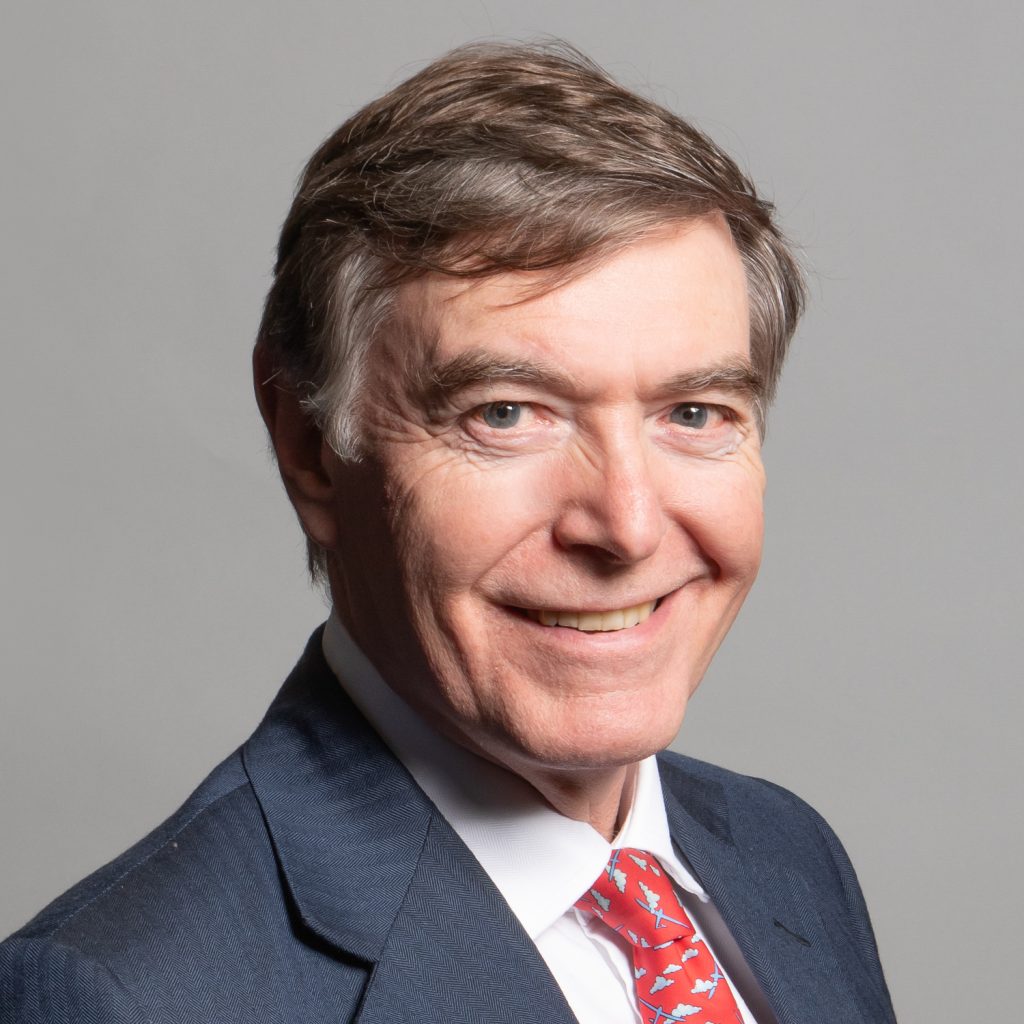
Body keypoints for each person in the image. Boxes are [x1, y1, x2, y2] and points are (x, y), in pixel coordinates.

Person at [0, 42, 896, 1024]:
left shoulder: (786, 858)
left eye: (693, 412)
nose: (628, 527)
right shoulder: (124, 995)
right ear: (309, 446)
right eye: (505, 413)